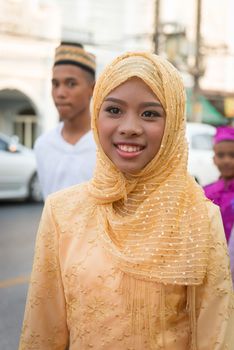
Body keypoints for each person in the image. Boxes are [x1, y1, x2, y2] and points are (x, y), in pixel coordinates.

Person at [19, 52, 234, 350]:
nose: (130, 126)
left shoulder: (198, 217)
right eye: (114, 110)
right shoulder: (62, 212)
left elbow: (215, 337)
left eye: (149, 114)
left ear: (173, 124)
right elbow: (41, 333)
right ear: (97, 116)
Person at [34, 42, 96, 199]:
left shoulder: (106, 144)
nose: (60, 93)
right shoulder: (43, 145)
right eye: (55, 84)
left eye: (71, 84)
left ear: (92, 89)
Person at [204, 126, 234, 242]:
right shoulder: (205, 192)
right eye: (221, 155)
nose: (226, 160)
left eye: (232, 155)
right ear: (214, 159)